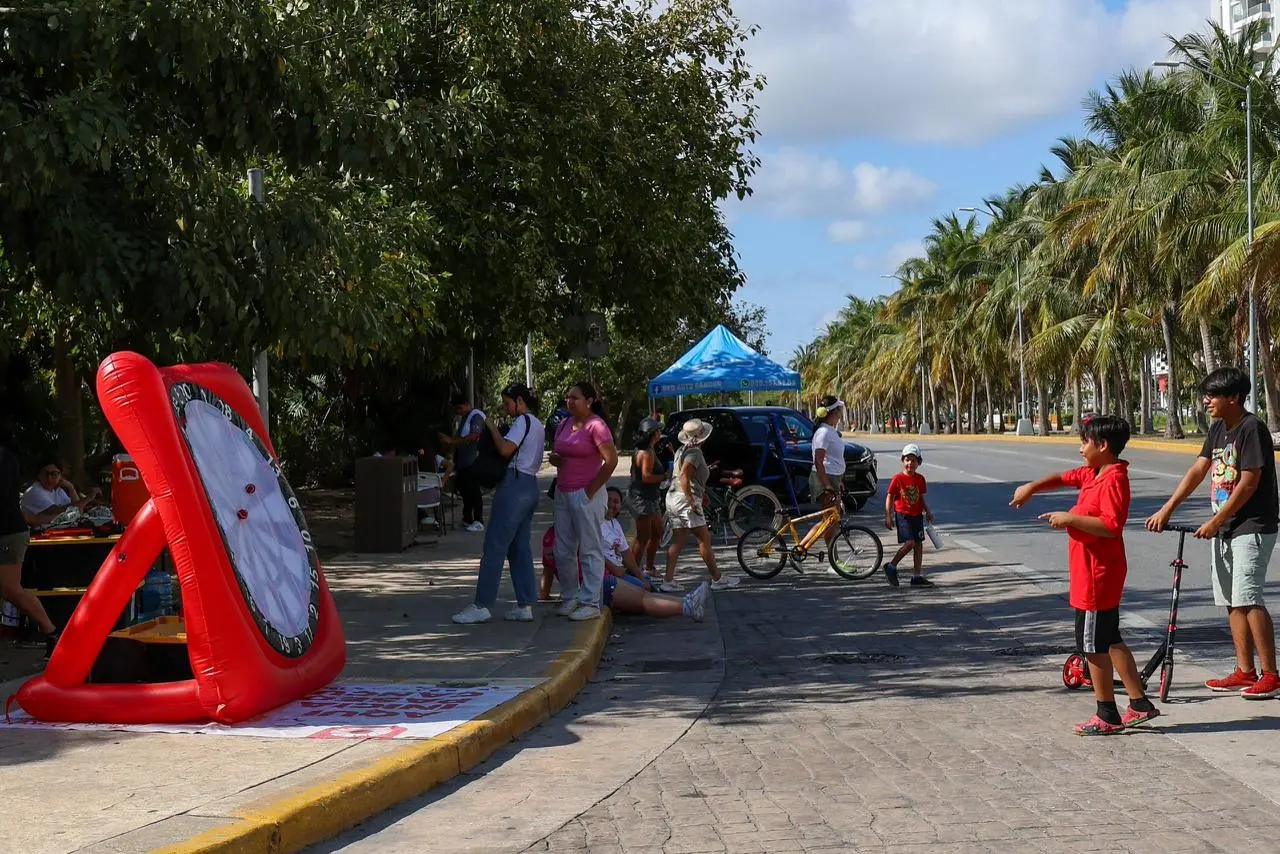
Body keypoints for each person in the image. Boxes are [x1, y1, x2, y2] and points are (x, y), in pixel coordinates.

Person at [1011, 416, 1160, 735]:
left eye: (1084, 443)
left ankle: (1107, 714)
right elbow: (1063, 477)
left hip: (1097, 576)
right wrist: (1032, 488)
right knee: (1111, 639)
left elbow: (1110, 525)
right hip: (1090, 573)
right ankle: (1139, 703)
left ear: (1103, 446)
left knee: (1093, 646)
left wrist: (1071, 518)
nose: (1080, 449)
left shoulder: (1113, 479)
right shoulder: (1095, 472)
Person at [1145, 367, 1280, 699]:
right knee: (1232, 601)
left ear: (1233, 397)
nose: (1206, 401)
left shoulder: (1252, 429)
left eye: (1212, 395)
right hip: (1226, 527)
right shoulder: (1219, 428)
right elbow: (1198, 469)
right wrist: (1168, 508)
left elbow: (1249, 483)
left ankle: (1271, 675)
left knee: (1249, 598)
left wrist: (1217, 520)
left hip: (1252, 525)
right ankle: (1244, 671)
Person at [453, 384, 546, 625]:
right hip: (530, 486)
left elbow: (505, 449)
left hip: (514, 486)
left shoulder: (522, 422)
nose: (507, 409)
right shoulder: (536, 424)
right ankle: (525, 604)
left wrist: (491, 425)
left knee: (494, 545)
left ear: (519, 401)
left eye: (508, 404)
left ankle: (482, 604)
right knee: (519, 548)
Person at [549, 381, 619, 621]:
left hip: (586, 493)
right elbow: (562, 455)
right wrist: (557, 460)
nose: (570, 401)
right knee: (563, 550)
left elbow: (611, 461)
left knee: (590, 549)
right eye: (568, 397)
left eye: (575, 397)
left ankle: (590, 601)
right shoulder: (564, 424)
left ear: (589, 401)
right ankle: (571, 596)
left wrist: (590, 491)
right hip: (563, 492)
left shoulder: (596, 426)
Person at [601, 487, 708, 621]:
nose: (611, 504)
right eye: (608, 500)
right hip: (605, 579)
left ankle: (686, 602)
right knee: (643, 596)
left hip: (612, 576)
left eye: (616, 501)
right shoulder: (594, 524)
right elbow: (592, 554)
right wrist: (615, 569)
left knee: (646, 587)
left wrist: (640, 576)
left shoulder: (614, 523)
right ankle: (687, 606)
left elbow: (626, 554)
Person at [662, 418, 740, 593]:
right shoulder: (695, 453)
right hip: (685, 500)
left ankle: (668, 579)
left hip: (674, 498)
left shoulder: (681, 450)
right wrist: (691, 499)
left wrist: (700, 493)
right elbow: (684, 476)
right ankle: (717, 578)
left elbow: (686, 477)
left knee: (678, 540)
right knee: (703, 539)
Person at [1, 430, 60, 656]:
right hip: (8, 533)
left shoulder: (5, 460)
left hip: (7, 534)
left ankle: (52, 632)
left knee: (11, 589)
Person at [882, 443, 934, 588]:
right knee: (910, 542)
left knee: (918, 545)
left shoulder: (920, 479)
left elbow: (921, 498)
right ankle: (891, 566)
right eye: (907, 459)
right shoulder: (897, 479)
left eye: (913, 460)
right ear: (902, 461)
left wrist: (928, 511)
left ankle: (916, 577)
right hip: (903, 516)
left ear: (919, 462)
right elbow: (889, 497)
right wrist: (888, 515)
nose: (910, 463)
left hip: (917, 515)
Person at [439, 393, 486, 532]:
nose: (459, 412)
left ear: (466, 404)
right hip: (463, 462)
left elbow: (474, 436)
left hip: (473, 461)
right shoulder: (465, 418)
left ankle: (478, 519)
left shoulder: (476, 416)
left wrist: (452, 441)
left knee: (474, 491)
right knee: (464, 490)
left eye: (460, 408)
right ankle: (467, 518)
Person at [627, 418, 667, 575]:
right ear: (653, 434)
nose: (660, 433)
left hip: (648, 498)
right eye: (658, 431)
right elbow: (646, 477)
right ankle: (633, 571)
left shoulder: (646, 449)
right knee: (643, 537)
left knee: (658, 532)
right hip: (641, 499)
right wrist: (664, 477)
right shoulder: (647, 453)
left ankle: (649, 567)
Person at [810, 395, 846, 557]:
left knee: (831, 522)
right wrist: (827, 486)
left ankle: (834, 560)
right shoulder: (823, 432)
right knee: (828, 522)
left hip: (834, 478)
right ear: (833, 413)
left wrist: (840, 482)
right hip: (825, 479)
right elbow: (819, 461)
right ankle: (802, 548)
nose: (840, 414)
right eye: (839, 411)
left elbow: (835, 459)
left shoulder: (830, 431)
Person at [21, 459, 98, 528]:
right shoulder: (35, 491)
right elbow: (57, 511)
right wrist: (88, 498)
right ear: (39, 475)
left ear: (60, 475)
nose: (49, 478)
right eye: (45, 473)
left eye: (54, 474)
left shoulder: (57, 490)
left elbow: (78, 511)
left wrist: (71, 488)